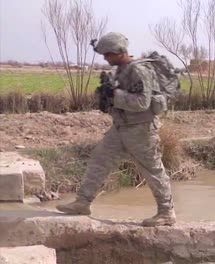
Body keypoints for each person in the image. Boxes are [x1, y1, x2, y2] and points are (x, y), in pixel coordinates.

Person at [56, 32, 176, 226]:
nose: (105, 58)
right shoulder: (121, 70)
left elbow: (142, 103)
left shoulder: (138, 71)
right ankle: (83, 202)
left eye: (107, 54)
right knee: (99, 159)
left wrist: (115, 94)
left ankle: (166, 212)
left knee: (153, 170)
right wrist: (107, 99)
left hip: (141, 130)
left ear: (118, 52)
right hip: (121, 128)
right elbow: (120, 97)